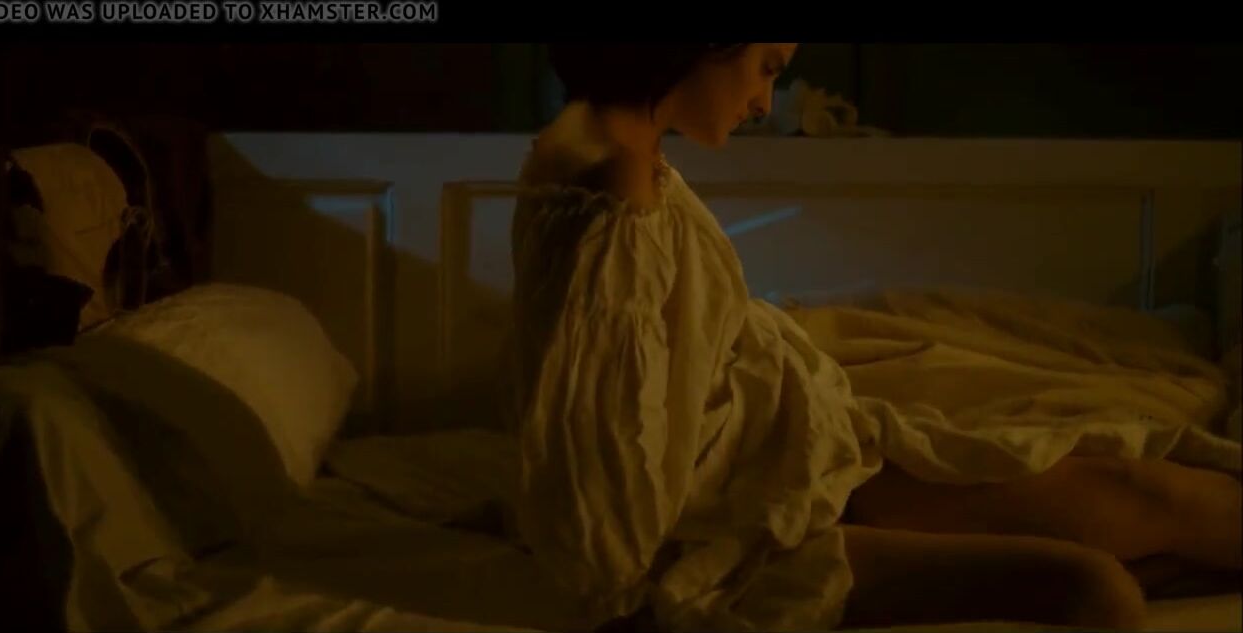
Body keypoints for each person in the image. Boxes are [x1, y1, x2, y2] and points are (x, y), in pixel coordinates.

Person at [508, 43, 1242, 632]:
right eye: (766, 67)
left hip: (794, 457)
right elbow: (603, 460)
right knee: (1102, 583)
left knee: (1153, 490)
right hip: (750, 524)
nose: (763, 100)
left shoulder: (604, 144)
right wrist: (639, 588)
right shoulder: (616, 175)